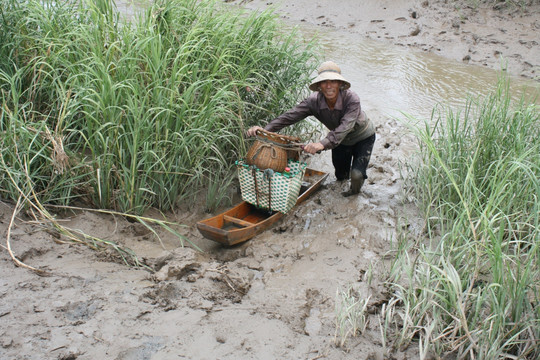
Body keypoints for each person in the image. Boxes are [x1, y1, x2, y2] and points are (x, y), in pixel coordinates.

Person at [247, 61, 376, 197]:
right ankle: (343, 183)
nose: (328, 86)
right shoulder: (313, 101)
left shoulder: (352, 99)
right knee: (340, 175)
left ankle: (354, 194)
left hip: (363, 137)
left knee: (356, 175)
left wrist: (320, 144)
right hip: (340, 142)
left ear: (340, 84)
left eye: (333, 81)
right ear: (319, 86)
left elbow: (344, 128)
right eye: (324, 82)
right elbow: (289, 117)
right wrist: (265, 130)